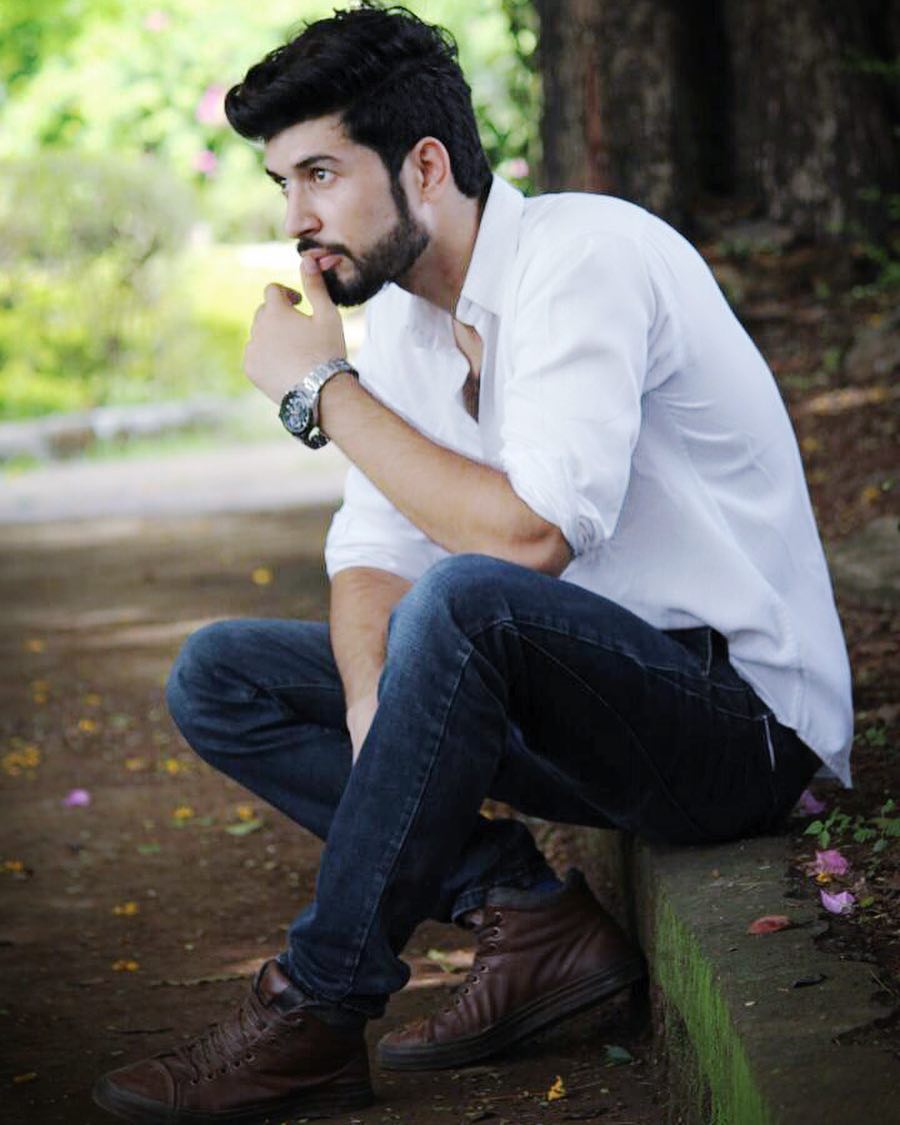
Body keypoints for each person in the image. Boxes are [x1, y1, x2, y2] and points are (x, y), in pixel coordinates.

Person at [93, 3, 853, 1122]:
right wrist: (371, 704)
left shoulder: (583, 258)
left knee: (465, 601)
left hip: (739, 728)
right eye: (282, 185)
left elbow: (529, 538)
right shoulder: (408, 324)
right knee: (222, 673)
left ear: (426, 165)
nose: (297, 221)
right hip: (592, 714)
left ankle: (317, 1008)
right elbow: (370, 555)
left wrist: (322, 392)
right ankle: (526, 913)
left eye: (320, 174)